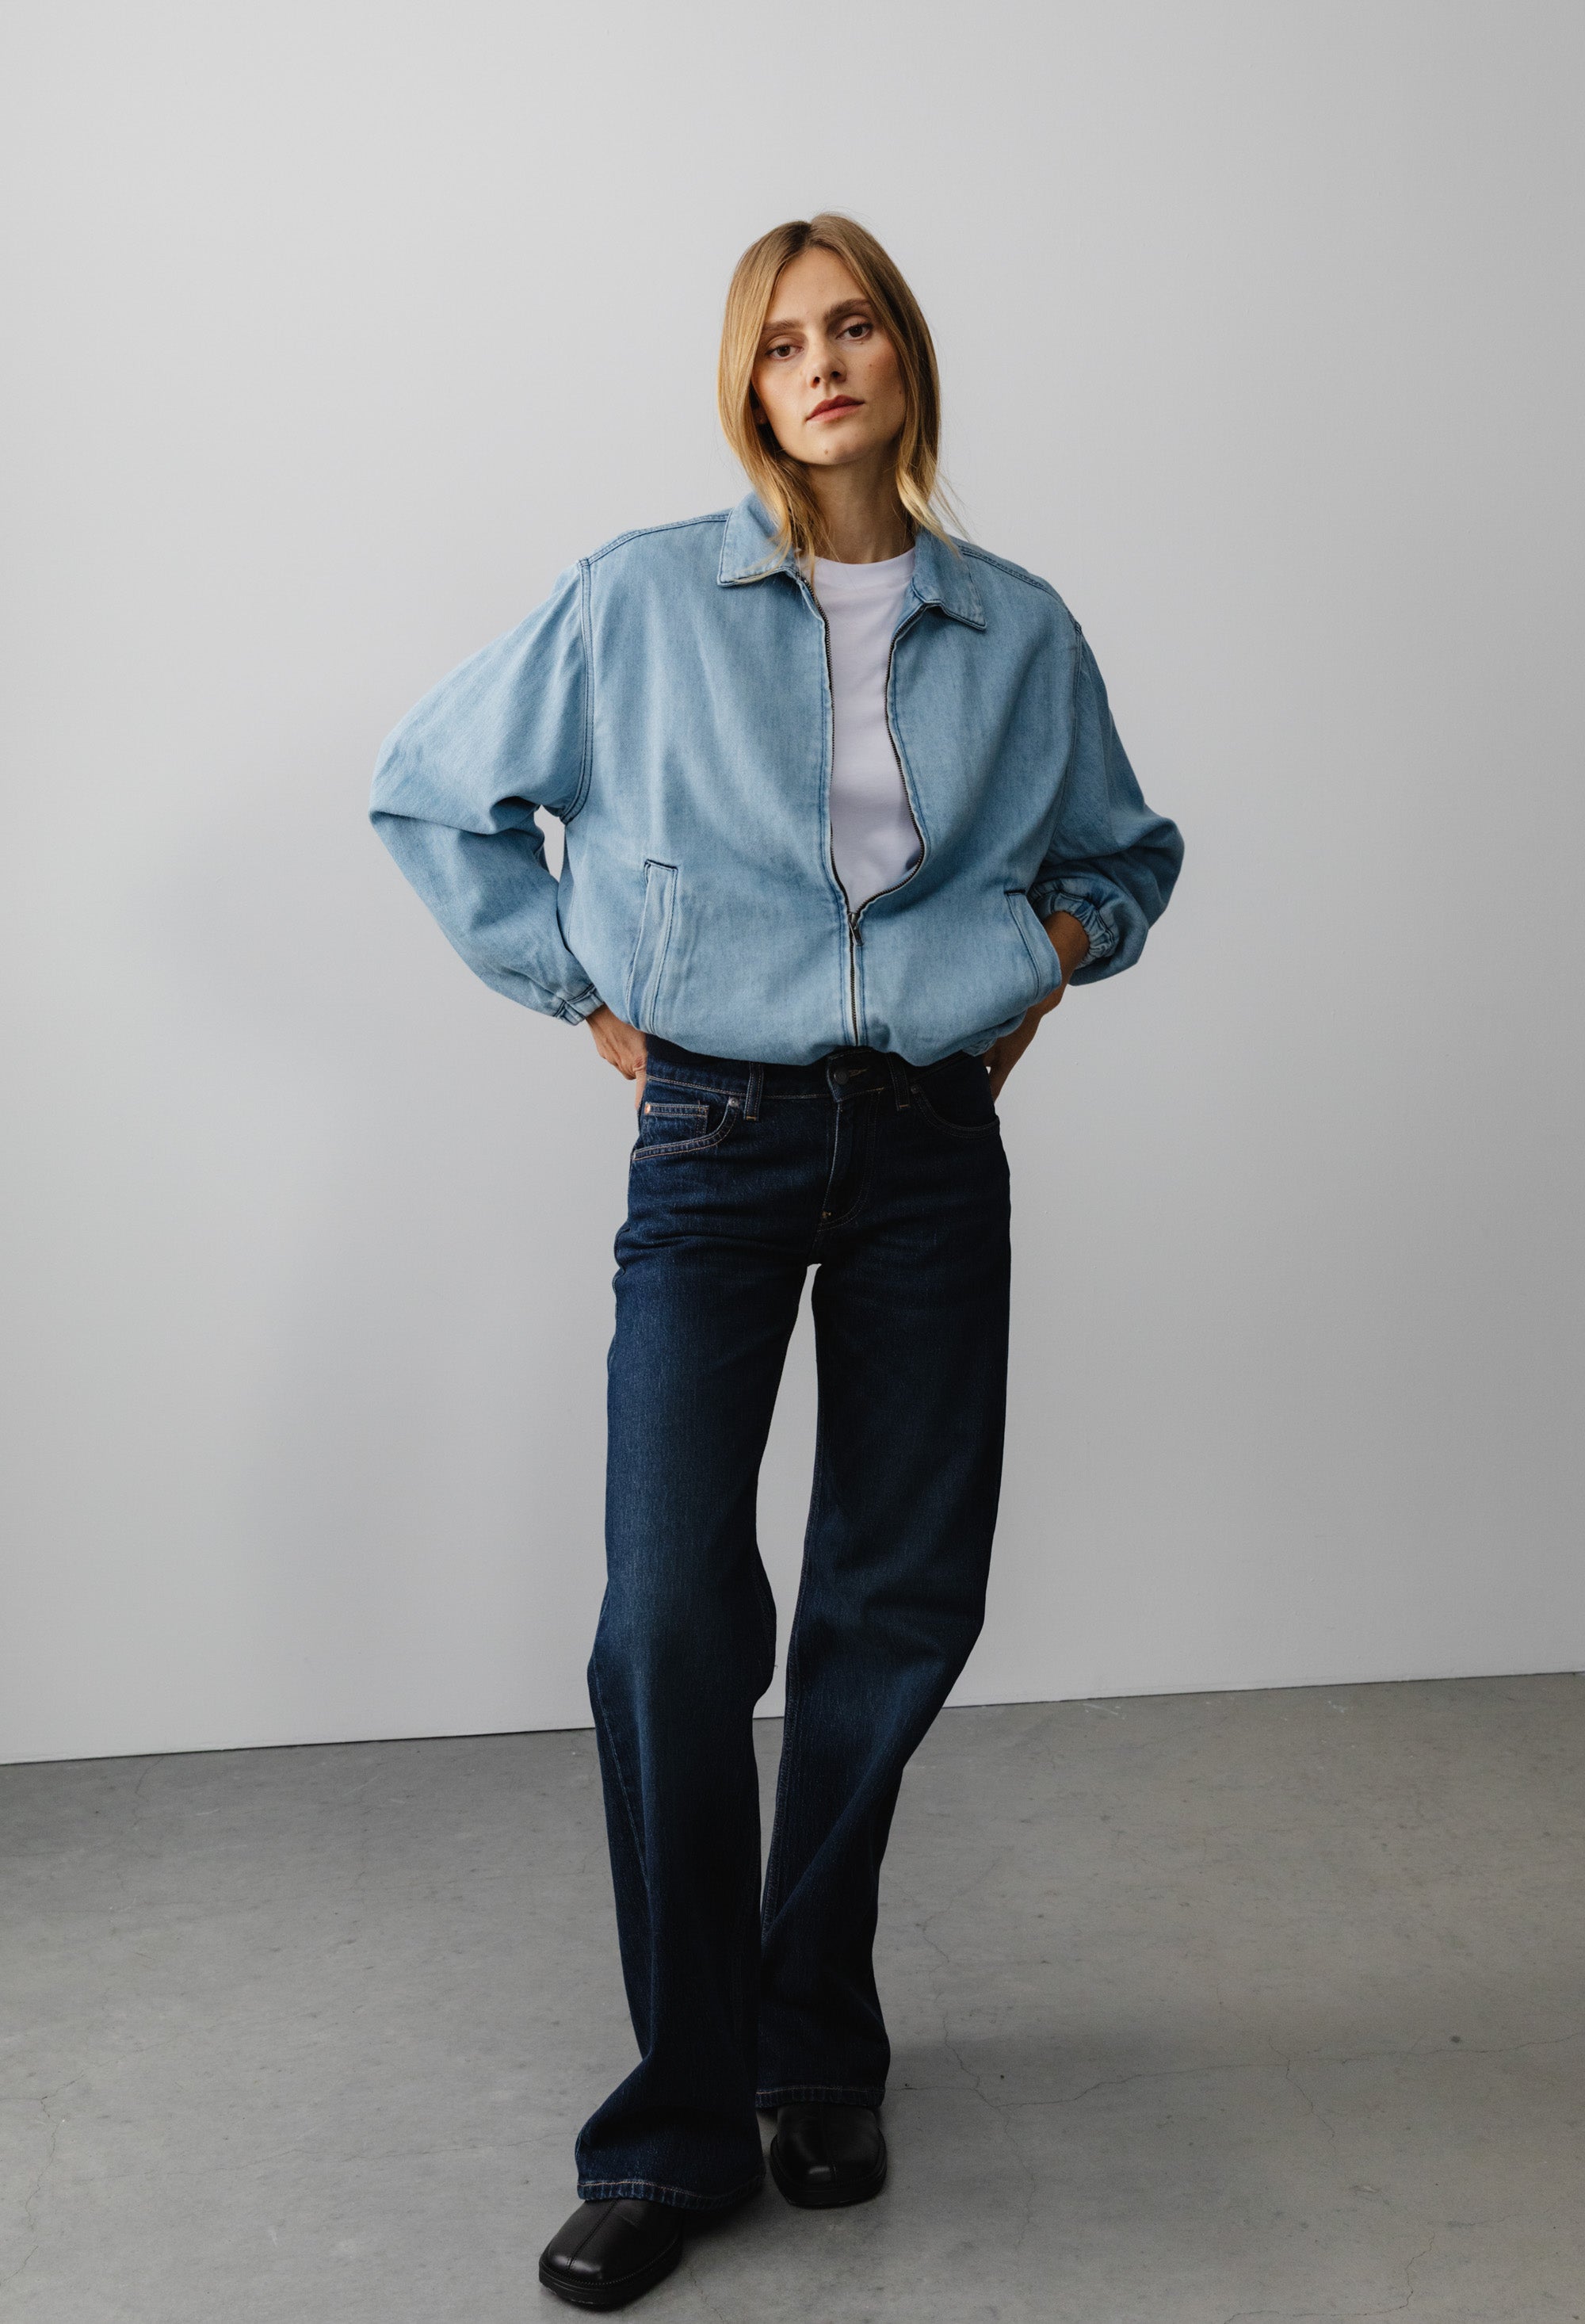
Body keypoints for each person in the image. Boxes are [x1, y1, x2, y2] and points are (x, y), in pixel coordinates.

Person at [370, 212, 1182, 2311]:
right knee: (666, 1618)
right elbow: (432, 796)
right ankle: (676, 2123)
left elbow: (1126, 854)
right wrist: (581, 989)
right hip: (712, 1138)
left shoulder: (1019, 629)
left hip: (926, 1148)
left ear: (905, 359)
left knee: (892, 1604)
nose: (821, 363)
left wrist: (1032, 965)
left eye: (855, 327)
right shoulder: (640, 596)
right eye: (780, 339)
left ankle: (817, 2043)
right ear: (745, 384)